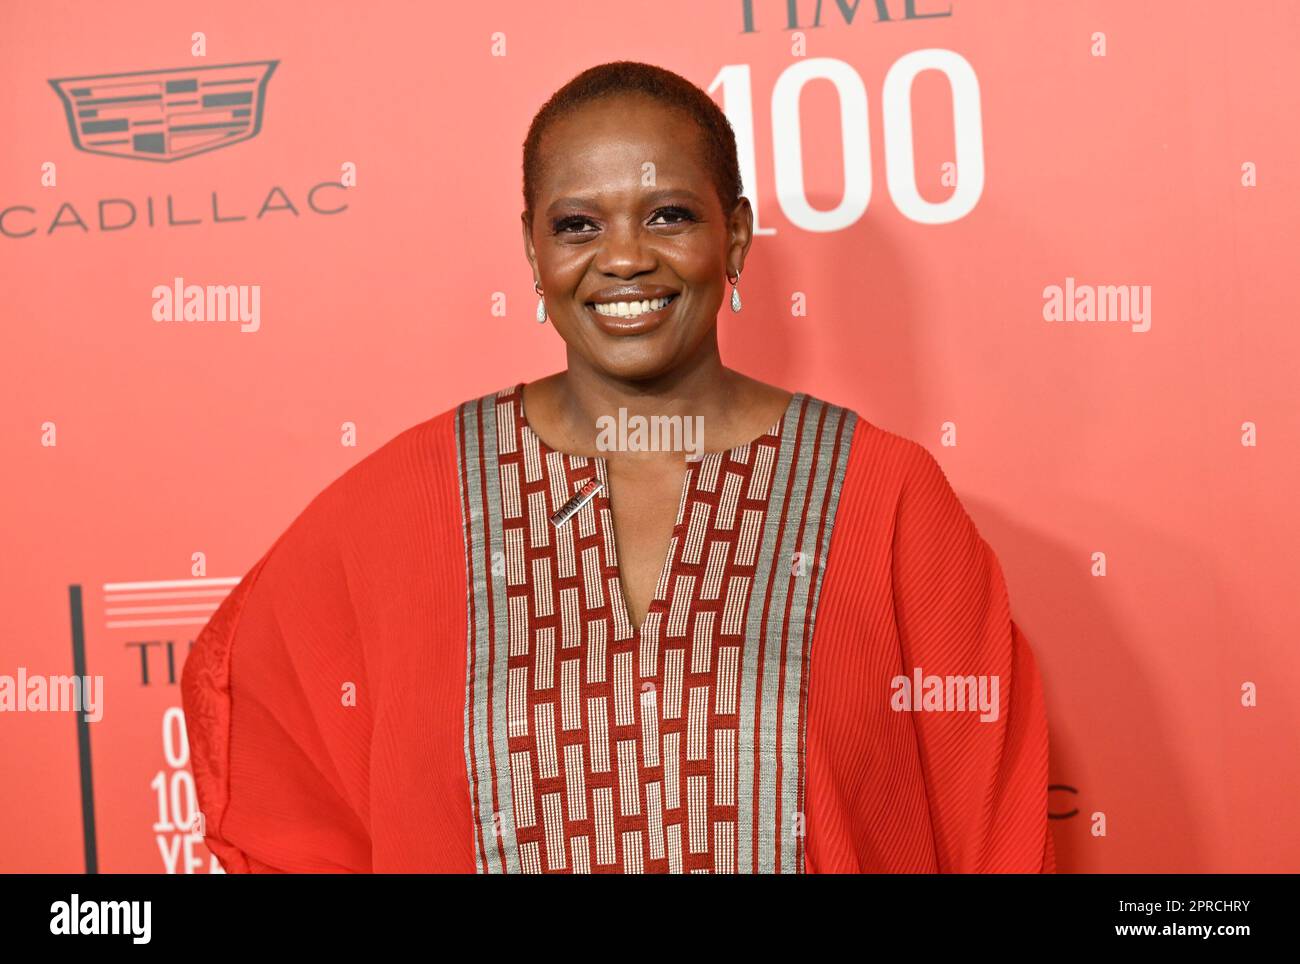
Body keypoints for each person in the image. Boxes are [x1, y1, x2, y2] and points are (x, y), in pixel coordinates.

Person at [181, 60, 1055, 874]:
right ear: (533, 251)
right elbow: (256, 724)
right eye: (577, 225)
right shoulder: (408, 504)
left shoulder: (882, 496)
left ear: (736, 235)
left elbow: (992, 827)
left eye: (668, 215)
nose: (626, 257)